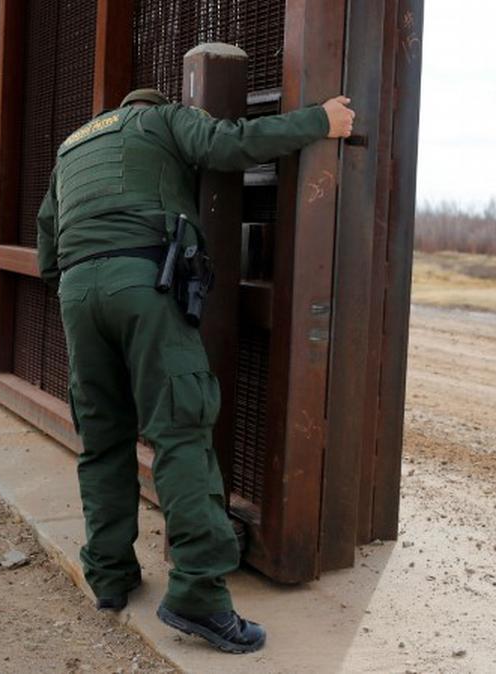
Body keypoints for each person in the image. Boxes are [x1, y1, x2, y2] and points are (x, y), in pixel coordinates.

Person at [36, 86, 355, 654]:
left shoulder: (72, 145)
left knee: (102, 436)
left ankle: (108, 576)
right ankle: (200, 596)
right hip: (144, 282)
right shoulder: (163, 119)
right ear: (151, 105)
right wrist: (319, 120)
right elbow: (229, 144)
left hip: (77, 293)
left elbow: (47, 246)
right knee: (181, 430)